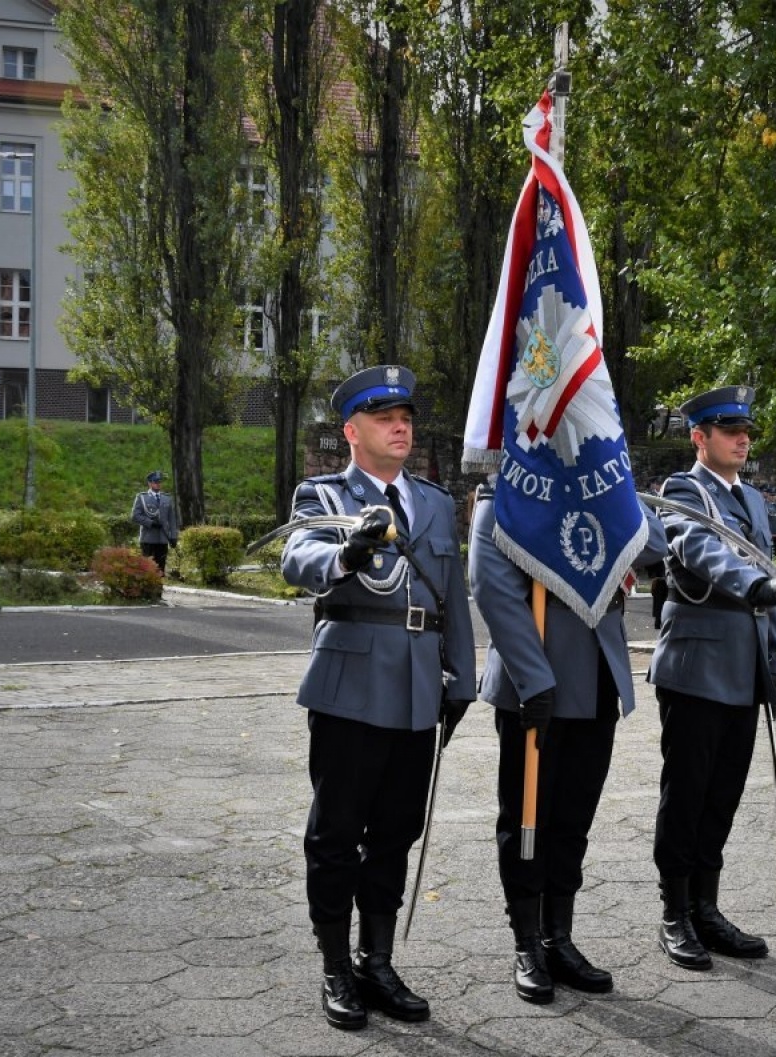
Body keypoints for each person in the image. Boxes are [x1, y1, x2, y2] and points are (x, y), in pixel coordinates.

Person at [281, 365, 477, 1031]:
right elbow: (298, 557)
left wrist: (464, 676)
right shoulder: (324, 493)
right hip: (351, 684)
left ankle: (378, 958)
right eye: (385, 415)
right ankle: (336, 964)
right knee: (337, 833)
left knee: (397, 829)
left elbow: (452, 593)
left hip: (420, 685)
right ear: (351, 431)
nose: (402, 425)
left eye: (407, 415)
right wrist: (350, 548)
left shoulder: (433, 500)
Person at [468, 479, 666, 1004]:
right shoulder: (505, 489)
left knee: (574, 818)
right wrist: (534, 677)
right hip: (540, 672)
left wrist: (606, 485)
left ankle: (559, 936)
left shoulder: (601, 481)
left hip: (597, 671)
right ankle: (526, 942)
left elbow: (655, 542)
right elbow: (490, 582)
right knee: (527, 819)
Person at [648, 385, 776, 972]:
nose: (743, 440)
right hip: (696, 666)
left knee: (723, 792)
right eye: (729, 430)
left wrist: (774, 661)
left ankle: (706, 906)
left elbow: (765, 594)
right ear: (701, 437)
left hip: (743, 668)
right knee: (687, 791)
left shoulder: (753, 499)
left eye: (746, 431)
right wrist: (764, 587)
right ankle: (674, 912)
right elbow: (702, 553)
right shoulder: (682, 491)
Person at [130, 471, 180, 574]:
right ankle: (148, 589)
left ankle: (159, 588)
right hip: (148, 539)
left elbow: (172, 519)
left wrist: (173, 536)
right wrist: (150, 523)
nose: (158, 484)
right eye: (155, 482)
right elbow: (135, 516)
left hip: (163, 539)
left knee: (160, 569)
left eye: (159, 482)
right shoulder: (142, 497)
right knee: (147, 568)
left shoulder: (167, 498)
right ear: (149, 483)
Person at [762, 484, 776, 557]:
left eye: (774, 495)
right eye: (771, 495)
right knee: (769, 554)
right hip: (768, 534)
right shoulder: (763, 506)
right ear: (767, 494)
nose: (773, 497)